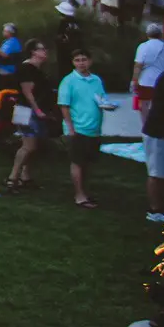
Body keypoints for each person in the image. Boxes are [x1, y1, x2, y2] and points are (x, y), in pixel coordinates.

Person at [57, 48, 113, 209]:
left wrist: (108, 106)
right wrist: (70, 128)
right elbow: (64, 106)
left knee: (87, 163)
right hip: (77, 128)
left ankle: (85, 192)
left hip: (93, 128)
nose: (81, 63)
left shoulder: (96, 80)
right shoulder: (68, 81)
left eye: (84, 59)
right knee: (77, 162)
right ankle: (79, 195)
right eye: (77, 60)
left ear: (90, 61)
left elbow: (102, 99)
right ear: (73, 63)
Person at [6, 41, 55, 191]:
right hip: (26, 110)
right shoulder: (27, 69)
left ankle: (25, 177)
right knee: (28, 146)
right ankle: (12, 178)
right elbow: (28, 93)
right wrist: (38, 110)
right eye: (42, 49)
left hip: (30, 110)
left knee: (32, 146)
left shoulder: (36, 69)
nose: (45, 51)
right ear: (33, 52)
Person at [132, 23, 164, 122]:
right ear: (160, 34)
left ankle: (146, 131)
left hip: (145, 82)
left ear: (147, 34)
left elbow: (138, 66)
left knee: (144, 110)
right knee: (161, 109)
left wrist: (134, 80)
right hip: (162, 83)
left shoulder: (143, 47)